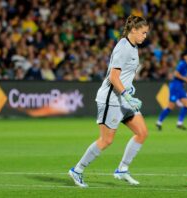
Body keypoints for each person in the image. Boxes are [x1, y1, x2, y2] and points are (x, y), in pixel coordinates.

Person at [68, 15, 149, 187]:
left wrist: (130, 89)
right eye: (143, 32)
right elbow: (113, 77)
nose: (145, 36)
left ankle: (122, 170)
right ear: (133, 30)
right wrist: (127, 95)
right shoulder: (123, 47)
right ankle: (77, 170)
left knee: (142, 132)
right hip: (111, 99)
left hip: (124, 99)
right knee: (106, 140)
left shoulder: (134, 47)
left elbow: (124, 76)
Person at [156, 51, 187, 131]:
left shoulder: (186, 65)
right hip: (175, 86)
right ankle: (159, 122)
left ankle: (179, 123)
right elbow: (176, 74)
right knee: (171, 106)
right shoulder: (182, 63)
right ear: (185, 57)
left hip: (179, 86)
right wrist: (186, 79)